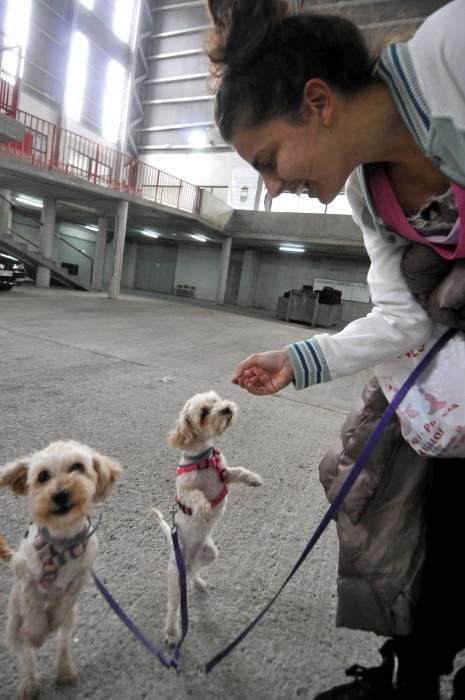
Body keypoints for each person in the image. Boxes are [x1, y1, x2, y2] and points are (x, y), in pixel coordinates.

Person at [205, 0, 465, 698]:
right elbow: (400, 318)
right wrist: (299, 361)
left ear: (317, 101)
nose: (268, 184)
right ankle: (409, 672)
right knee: (403, 499)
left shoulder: (453, 53)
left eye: (267, 159)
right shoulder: (365, 192)